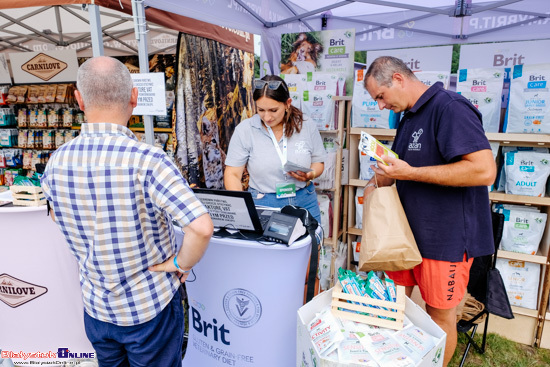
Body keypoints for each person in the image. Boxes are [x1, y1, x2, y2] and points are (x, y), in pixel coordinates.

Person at [40, 56, 213, 367]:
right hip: (149, 307)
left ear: (79, 99)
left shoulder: (57, 161)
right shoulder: (148, 159)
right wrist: (179, 263)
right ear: (134, 97)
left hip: (96, 307)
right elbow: (200, 227)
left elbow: (56, 215)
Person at [363, 56, 496, 367]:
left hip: (445, 239)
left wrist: (410, 173)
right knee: (395, 305)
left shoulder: (450, 107)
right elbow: (406, 169)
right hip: (405, 236)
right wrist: (380, 178)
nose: (380, 106)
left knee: (439, 316)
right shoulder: (408, 117)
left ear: (397, 79)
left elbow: (483, 171)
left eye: (380, 97)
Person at [224, 75, 325, 223]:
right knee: (266, 246)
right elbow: (232, 174)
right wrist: (242, 210)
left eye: (273, 110)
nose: (267, 117)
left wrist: (311, 174)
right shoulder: (245, 130)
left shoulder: (306, 125)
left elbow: (318, 162)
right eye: (261, 110)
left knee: (311, 244)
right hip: (264, 202)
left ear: (287, 103)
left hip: (304, 200)